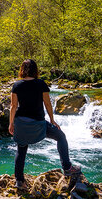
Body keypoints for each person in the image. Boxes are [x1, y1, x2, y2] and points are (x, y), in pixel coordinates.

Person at [9, 59, 81, 189]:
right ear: (35, 70)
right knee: (61, 136)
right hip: (38, 124)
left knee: (21, 149)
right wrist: (52, 120)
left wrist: (11, 123)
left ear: (22, 70)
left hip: (21, 123)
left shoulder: (17, 85)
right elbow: (47, 104)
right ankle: (67, 168)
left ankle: (19, 181)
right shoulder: (41, 84)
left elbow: (13, 106)